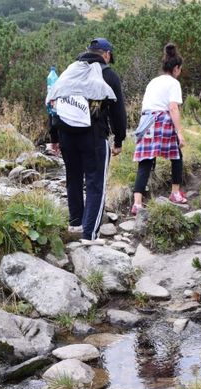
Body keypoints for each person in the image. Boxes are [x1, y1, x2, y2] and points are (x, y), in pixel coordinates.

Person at [49, 38, 126, 241]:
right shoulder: (108, 74)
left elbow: (54, 104)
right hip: (93, 137)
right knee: (94, 183)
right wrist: (119, 140)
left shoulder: (71, 71)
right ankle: (89, 235)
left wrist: (54, 137)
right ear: (107, 54)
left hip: (66, 135)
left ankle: (75, 224)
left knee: (73, 179)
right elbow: (118, 112)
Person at [130, 43, 186, 214]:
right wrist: (180, 132)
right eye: (180, 69)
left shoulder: (153, 82)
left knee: (145, 160)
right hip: (162, 119)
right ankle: (175, 193)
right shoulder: (173, 83)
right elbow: (173, 108)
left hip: (146, 120)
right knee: (177, 155)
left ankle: (137, 203)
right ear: (176, 68)